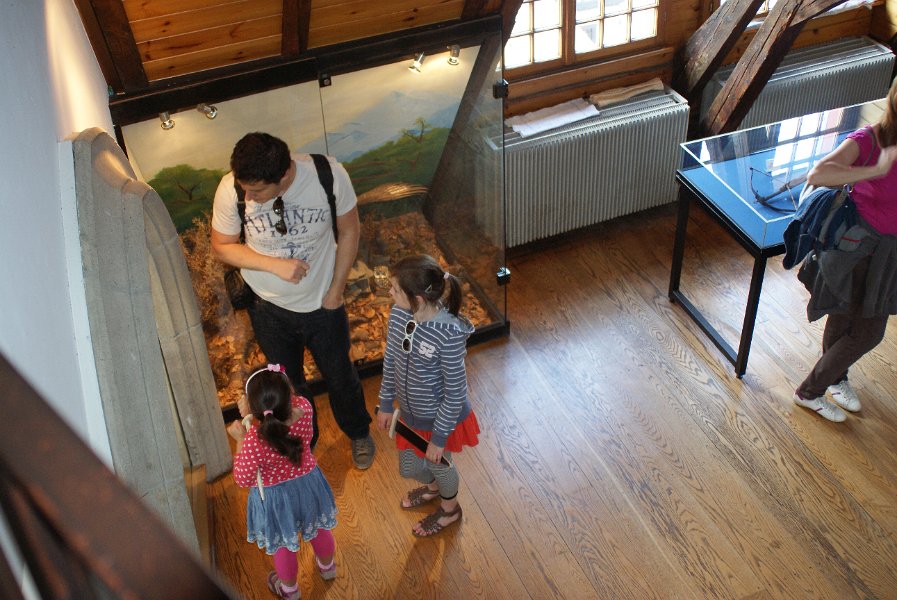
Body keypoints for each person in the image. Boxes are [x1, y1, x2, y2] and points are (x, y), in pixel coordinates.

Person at [212, 132, 375, 469]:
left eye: (257, 191)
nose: (249, 196)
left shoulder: (328, 175)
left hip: (323, 302)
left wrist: (336, 292)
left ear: (284, 174)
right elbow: (222, 246)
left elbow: (350, 231)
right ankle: (301, 446)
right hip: (267, 308)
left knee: (340, 374)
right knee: (289, 384)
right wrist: (275, 265)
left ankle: (358, 431)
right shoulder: (230, 189)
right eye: (245, 188)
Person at [792, 79, 897, 422]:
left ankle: (836, 379)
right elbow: (819, 173)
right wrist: (875, 170)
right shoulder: (870, 140)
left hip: (890, 251)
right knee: (868, 332)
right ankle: (810, 392)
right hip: (859, 249)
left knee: (845, 319)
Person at [376, 255, 479, 536]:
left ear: (418, 299)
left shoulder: (448, 333)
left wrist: (439, 438)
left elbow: (455, 393)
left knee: (441, 465)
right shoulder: (399, 313)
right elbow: (391, 359)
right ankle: (434, 488)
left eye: (395, 289)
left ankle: (450, 510)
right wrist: (385, 403)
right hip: (410, 415)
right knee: (409, 468)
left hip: (439, 422)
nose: (390, 292)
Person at [226, 364, 338, 600]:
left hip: (277, 500)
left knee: (284, 545)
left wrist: (240, 439)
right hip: (308, 485)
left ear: (253, 406)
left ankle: (289, 590)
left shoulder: (253, 439)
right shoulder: (304, 407)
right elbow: (285, 410)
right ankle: (328, 568)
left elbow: (242, 478)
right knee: (319, 528)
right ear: (289, 392)